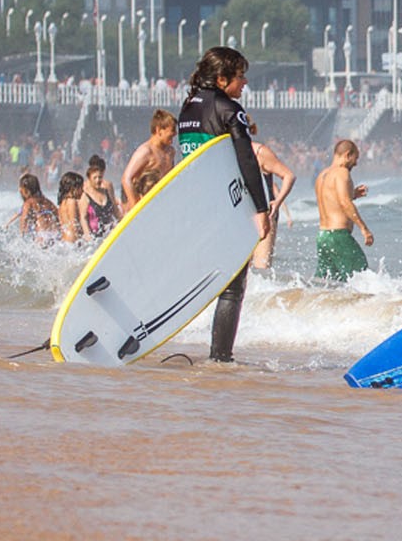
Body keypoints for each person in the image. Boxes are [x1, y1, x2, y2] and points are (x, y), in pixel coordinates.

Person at [178, 47, 272, 362]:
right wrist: (261, 209)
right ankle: (221, 358)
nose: (244, 82)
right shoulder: (229, 108)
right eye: (240, 75)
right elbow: (247, 160)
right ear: (222, 79)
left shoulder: (188, 108)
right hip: (228, 206)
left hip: (196, 205)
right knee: (233, 287)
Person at [315, 139, 374, 282]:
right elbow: (344, 203)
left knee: (328, 284)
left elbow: (330, 200)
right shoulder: (342, 173)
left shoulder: (322, 175)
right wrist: (364, 228)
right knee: (361, 278)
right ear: (348, 155)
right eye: (356, 158)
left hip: (323, 236)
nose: (356, 163)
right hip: (338, 236)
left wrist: (352, 194)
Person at [247, 119, 296, 270]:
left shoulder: (260, 151)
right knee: (241, 272)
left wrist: (278, 203)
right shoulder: (228, 154)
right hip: (242, 216)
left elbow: (288, 176)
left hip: (265, 214)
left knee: (262, 267)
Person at [120, 110, 178, 213]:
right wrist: (135, 206)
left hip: (160, 203)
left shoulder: (170, 152)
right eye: (172, 130)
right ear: (159, 130)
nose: (175, 133)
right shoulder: (145, 151)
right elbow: (126, 179)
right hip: (142, 201)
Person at [7, 172, 61, 244]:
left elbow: (24, 220)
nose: (20, 191)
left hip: (41, 237)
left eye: (21, 189)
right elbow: (59, 217)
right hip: (54, 236)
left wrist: (21, 236)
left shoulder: (28, 203)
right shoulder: (48, 202)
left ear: (26, 190)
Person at [81, 154, 121, 237]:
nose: (98, 180)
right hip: (94, 233)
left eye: (100, 177)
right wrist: (87, 235)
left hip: (108, 232)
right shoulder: (85, 192)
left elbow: (114, 209)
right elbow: (83, 217)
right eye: (95, 177)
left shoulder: (105, 188)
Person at [56, 171, 89, 245]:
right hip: (72, 240)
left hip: (65, 239)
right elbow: (74, 224)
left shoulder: (63, 203)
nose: (83, 191)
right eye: (81, 187)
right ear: (73, 188)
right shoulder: (72, 201)